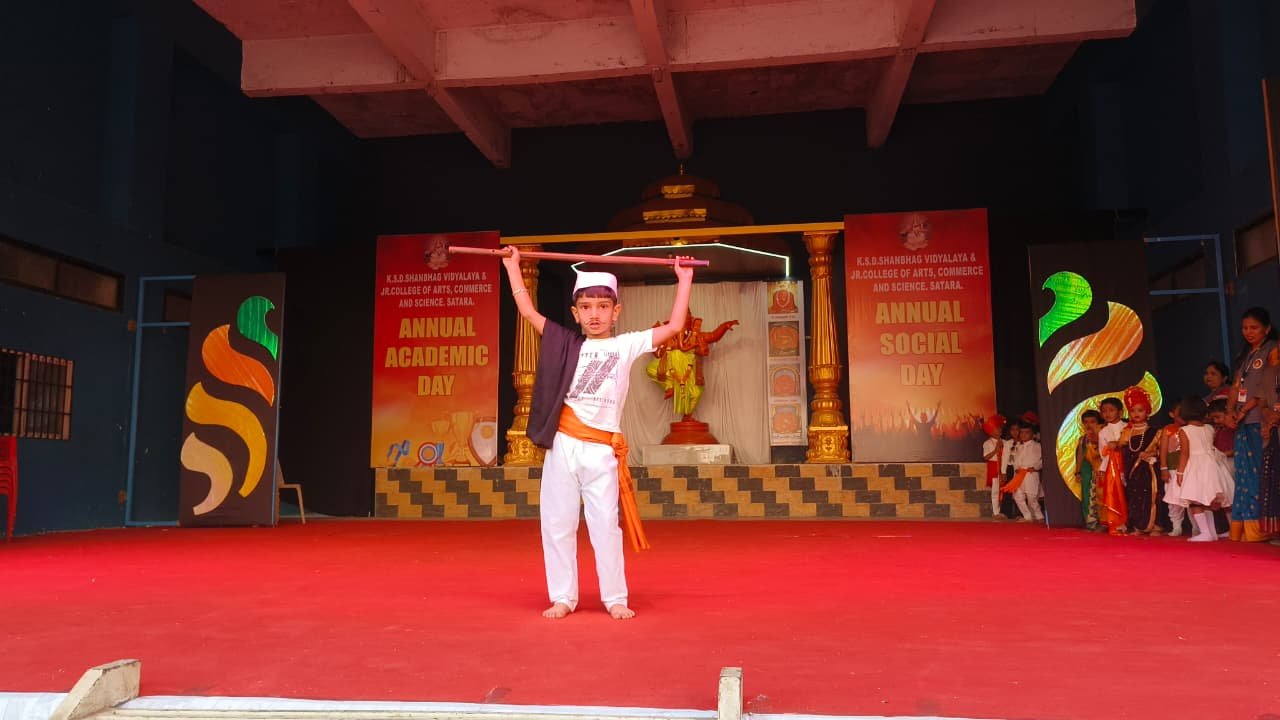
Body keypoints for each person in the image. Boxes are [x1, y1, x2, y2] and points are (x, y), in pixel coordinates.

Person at [503, 246, 695, 620]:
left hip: (602, 450)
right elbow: (527, 311)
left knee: (605, 526)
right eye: (586, 307)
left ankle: (615, 597)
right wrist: (513, 267)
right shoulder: (566, 343)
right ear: (575, 313)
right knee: (557, 523)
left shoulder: (625, 345)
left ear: (616, 311)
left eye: (603, 307)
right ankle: (563, 596)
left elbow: (674, 327)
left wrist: (684, 280)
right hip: (564, 446)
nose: (595, 314)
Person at [1224, 307, 1280, 542]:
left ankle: (1263, 528)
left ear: (1267, 328)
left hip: (1261, 419)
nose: (1248, 332)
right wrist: (1229, 412)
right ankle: (1246, 528)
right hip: (1243, 422)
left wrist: (1244, 410)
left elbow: (1268, 386)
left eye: (1254, 327)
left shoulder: (1273, 350)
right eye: (1245, 328)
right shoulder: (1246, 354)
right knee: (1244, 473)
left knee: (1261, 472)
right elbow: (1236, 386)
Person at [1173, 397, 1234, 542]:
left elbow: (1185, 454)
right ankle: (1211, 533)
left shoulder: (1184, 430)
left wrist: (1180, 472)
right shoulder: (1209, 428)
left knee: (1195, 500)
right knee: (1206, 500)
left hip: (1195, 466)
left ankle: (1206, 533)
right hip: (1210, 465)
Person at [1121, 386, 1163, 535]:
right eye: (1133, 410)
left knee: (1151, 496)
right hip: (1132, 471)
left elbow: (1160, 451)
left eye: (1140, 410)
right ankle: (1137, 525)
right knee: (1134, 497)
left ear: (1147, 411)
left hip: (1149, 470)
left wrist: (1151, 454)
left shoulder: (1155, 432)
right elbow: (1123, 452)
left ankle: (1154, 525)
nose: (1136, 414)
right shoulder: (1126, 432)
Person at [1097, 397, 1129, 535]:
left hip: (1127, 464)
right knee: (1114, 494)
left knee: (1128, 493)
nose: (1107, 414)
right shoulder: (1103, 432)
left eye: (1111, 410)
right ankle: (1117, 522)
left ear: (1120, 412)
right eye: (1104, 411)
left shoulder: (1127, 427)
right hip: (1111, 467)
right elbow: (1102, 453)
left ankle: (1130, 521)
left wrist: (1119, 445)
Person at [1002, 421, 1043, 522]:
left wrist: (1036, 467)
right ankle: (1027, 516)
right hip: (1019, 474)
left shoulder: (1037, 446)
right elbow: (1015, 460)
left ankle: (1039, 516)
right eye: (1022, 432)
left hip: (1030, 474)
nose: (1023, 435)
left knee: (1032, 498)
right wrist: (1016, 468)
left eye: (1027, 432)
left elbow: (1043, 459)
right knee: (1017, 496)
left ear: (1032, 434)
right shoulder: (1019, 446)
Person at [1160, 403, 1187, 536]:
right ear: (1172, 414)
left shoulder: (1191, 428)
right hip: (1172, 468)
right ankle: (1176, 526)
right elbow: (1163, 450)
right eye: (1179, 412)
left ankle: (1197, 527)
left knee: (1191, 497)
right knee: (1173, 498)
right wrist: (1164, 468)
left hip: (1189, 468)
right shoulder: (1168, 429)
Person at [1076, 409, 1103, 530]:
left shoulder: (1102, 436)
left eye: (1092, 421)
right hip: (1087, 469)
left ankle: (1103, 522)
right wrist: (1078, 472)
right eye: (1086, 422)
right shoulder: (1083, 439)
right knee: (1087, 494)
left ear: (1098, 422)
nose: (1089, 425)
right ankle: (1090, 522)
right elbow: (1080, 455)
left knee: (1100, 495)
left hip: (1100, 468)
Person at [981, 414, 1007, 518]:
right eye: (997, 428)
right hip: (994, 467)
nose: (1000, 430)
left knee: (1005, 490)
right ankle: (996, 512)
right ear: (991, 430)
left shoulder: (1005, 442)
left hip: (1004, 467)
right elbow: (985, 457)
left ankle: (1005, 510)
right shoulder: (987, 443)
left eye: (1000, 428)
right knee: (995, 490)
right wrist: (995, 450)